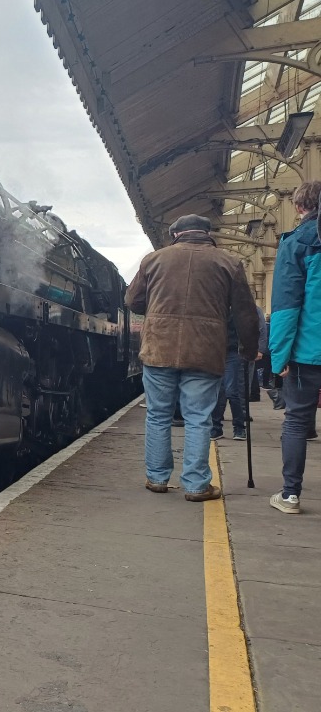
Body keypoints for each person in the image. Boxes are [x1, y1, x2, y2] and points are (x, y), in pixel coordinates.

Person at [125, 214, 259, 502]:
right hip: (205, 350)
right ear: (207, 233)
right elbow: (245, 313)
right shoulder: (228, 262)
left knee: (158, 415)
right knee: (199, 418)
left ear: (175, 235)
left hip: (159, 348)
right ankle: (197, 485)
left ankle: (157, 478)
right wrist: (249, 349)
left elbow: (133, 301)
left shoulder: (154, 259)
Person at [267, 180, 321, 514]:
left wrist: (279, 356)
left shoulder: (299, 242)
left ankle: (290, 495)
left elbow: (287, 308)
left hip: (307, 352)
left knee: (298, 422)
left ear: (299, 207)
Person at [210, 314, 249, 441]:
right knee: (218, 392)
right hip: (215, 353)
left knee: (231, 391)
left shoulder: (232, 309)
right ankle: (216, 428)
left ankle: (239, 427)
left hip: (231, 353)